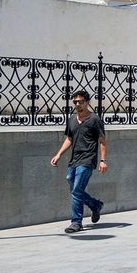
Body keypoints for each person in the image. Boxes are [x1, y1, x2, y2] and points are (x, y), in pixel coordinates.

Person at [49, 90, 108, 233]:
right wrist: (58, 154)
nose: (77, 104)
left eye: (80, 102)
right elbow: (69, 138)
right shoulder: (72, 119)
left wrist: (102, 160)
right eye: (75, 102)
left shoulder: (94, 120)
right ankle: (95, 205)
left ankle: (76, 222)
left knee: (76, 191)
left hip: (87, 160)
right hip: (74, 159)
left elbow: (102, 140)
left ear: (87, 102)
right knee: (73, 184)